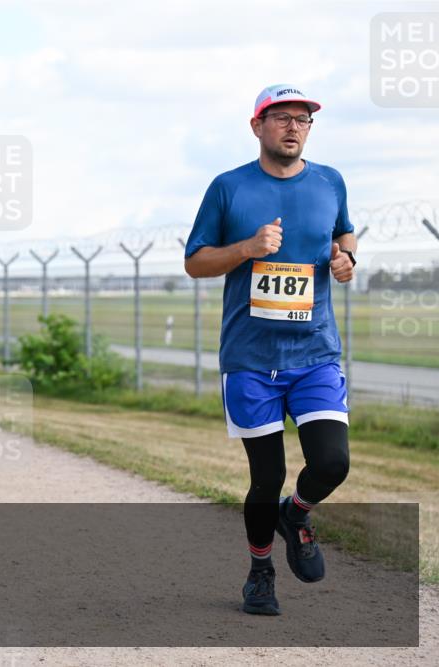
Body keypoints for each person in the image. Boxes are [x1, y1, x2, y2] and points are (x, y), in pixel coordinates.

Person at [184, 84, 356, 616]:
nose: (293, 127)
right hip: (252, 360)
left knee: (332, 463)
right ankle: (260, 571)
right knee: (267, 476)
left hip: (315, 352)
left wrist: (346, 260)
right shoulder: (228, 187)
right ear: (257, 126)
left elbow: (345, 237)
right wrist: (247, 249)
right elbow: (195, 262)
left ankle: (296, 515)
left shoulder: (330, 182)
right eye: (280, 118)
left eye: (302, 119)